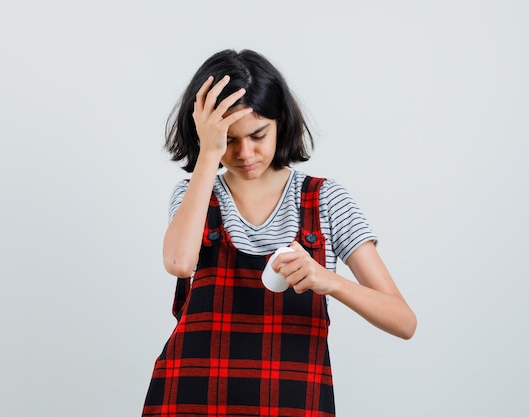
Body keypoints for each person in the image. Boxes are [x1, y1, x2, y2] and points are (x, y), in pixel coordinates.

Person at [142, 49, 416, 417]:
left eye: (258, 134)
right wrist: (209, 154)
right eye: (228, 140)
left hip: (292, 402)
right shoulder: (194, 194)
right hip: (191, 399)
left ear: (281, 122)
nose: (244, 152)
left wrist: (327, 280)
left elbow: (403, 321)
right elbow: (178, 263)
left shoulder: (325, 200)